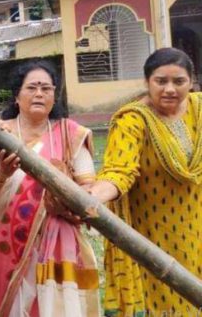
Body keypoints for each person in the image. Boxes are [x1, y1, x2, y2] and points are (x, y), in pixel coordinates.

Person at [86, 48, 202, 316]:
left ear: (191, 82)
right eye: (161, 81)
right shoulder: (133, 120)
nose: (170, 89)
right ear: (147, 82)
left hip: (196, 225)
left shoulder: (198, 110)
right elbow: (118, 171)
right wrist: (94, 196)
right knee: (162, 298)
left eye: (179, 81)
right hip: (152, 232)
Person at [0, 60, 99, 316]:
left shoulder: (71, 134)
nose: (39, 94)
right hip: (9, 244)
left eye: (46, 88)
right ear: (16, 96)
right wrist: (2, 173)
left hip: (60, 244)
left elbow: (89, 188)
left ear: (55, 96)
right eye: (31, 87)